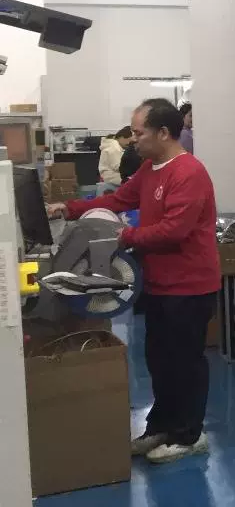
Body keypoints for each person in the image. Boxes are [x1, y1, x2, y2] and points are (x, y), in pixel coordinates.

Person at [48, 98, 220, 464]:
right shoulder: (149, 169)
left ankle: (189, 435)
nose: (133, 139)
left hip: (189, 285)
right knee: (159, 359)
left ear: (163, 132)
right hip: (157, 283)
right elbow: (119, 199)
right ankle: (160, 426)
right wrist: (69, 209)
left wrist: (127, 236)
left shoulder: (188, 172)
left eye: (140, 133)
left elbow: (175, 230)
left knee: (185, 362)